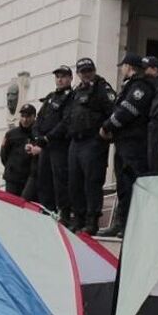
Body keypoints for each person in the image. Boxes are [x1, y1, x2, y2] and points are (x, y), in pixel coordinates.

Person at [98, 55, 156, 236]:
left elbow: (128, 110)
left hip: (135, 143)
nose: (121, 69)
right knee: (123, 185)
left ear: (128, 66)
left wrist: (107, 126)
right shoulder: (129, 85)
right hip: (123, 142)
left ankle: (132, 225)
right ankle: (120, 223)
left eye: (122, 66)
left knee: (133, 184)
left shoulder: (141, 86)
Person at [61, 57, 115, 234]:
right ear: (78, 73)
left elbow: (112, 111)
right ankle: (79, 218)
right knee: (74, 183)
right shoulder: (77, 91)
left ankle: (92, 221)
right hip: (76, 142)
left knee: (92, 182)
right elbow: (69, 115)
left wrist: (105, 131)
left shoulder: (101, 87)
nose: (87, 75)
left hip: (93, 141)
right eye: (83, 72)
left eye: (89, 71)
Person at [24, 67, 74, 212]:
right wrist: (38, 137)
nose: (59, 79)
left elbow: (65, 122)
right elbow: (39, 120)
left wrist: (47, 137)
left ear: (70, 78)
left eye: (63, 76)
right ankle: (47, 210)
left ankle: (63, 213)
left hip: (59, 146)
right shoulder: (51, 97)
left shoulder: (71, 96)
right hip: (45, 147)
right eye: (57, 77)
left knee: (60, 182)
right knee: (44, 182)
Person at [1, 104, 36, 195]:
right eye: (23, 116)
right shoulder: (11, 134)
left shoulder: (37, 134)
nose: (25, 120)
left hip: (29, 179)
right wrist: (11, 166)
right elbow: (4, 154)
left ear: (33, 117)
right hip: (13, 178)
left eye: (28, 117)